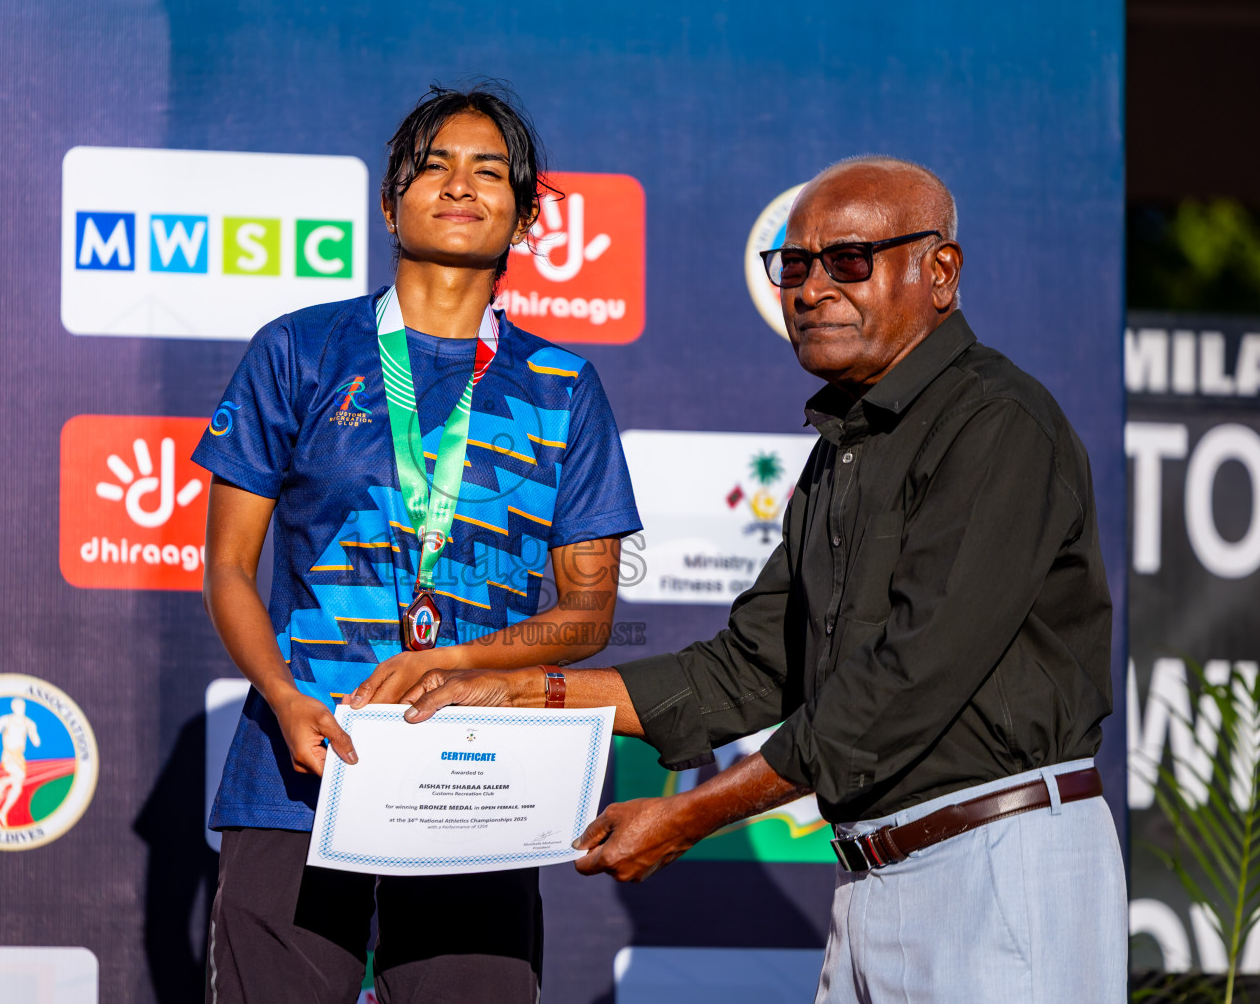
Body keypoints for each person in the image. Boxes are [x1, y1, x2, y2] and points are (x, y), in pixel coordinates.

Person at [380, 157, 1127, 1003]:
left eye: (849, 260)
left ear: (940, 272)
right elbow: (747, 668)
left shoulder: (999, 424)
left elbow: (902, 688)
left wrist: (691, 815)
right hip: (872, 876)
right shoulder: (844, 450)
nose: (811, 289)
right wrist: (523, 695)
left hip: (998, 869)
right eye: (794, 266)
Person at [195, 84, 641, 1004]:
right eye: (433, 164)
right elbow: (229, 567)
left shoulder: (563, 387)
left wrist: (465, 662)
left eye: (489, 170)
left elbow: (590, 612)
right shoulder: (300, 350)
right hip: (300, 766)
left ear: (523, 217)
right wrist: (283, 696)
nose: (459, 183)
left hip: (475, 776)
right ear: (390, 200)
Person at [0, 697, 39, 828]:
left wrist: (33, 732)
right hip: (8, 755)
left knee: (17, 789)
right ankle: (3, 781)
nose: (20, 709)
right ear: (13, 708)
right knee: (20, 776)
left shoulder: (29, 722)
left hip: (20, 757)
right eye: (17, 706)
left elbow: (36, 742)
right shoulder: (6, 719)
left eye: (22, 706)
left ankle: (3, 812)